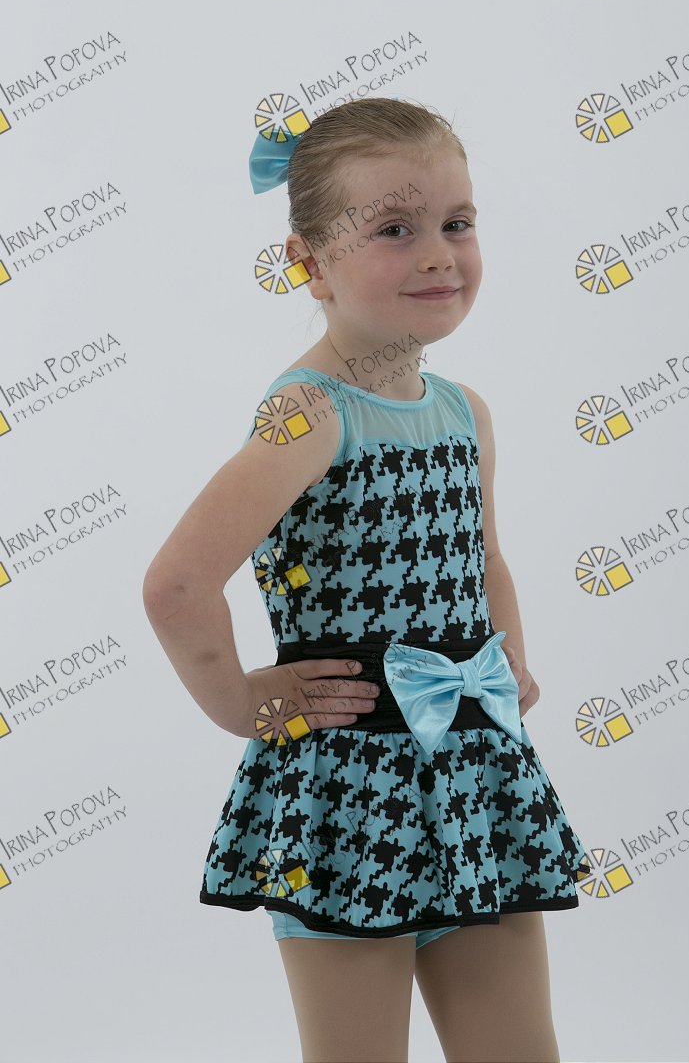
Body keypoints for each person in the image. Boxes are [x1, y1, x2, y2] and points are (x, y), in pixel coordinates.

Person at [142, 96, 590, 1063]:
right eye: (395, 230)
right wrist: (244, 705)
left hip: (474, 769)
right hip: (347, 786)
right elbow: (177, 585)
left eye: (457, 223)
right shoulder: (309, 414)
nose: (439, 255)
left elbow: (485, 556)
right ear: (308, 261)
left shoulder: (464, 411)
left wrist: (507, 664)